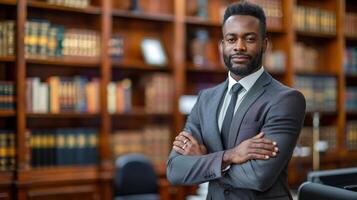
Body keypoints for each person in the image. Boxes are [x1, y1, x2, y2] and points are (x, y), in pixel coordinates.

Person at [166, 1, 306, 200]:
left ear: (264, 44)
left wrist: (203, 162)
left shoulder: (286, 99)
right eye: (231, 39)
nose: (239, 47)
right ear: (222, 45)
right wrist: (230, 156)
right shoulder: (206, 99)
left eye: (249, 39)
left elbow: (259, 176)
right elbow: (175, 170)